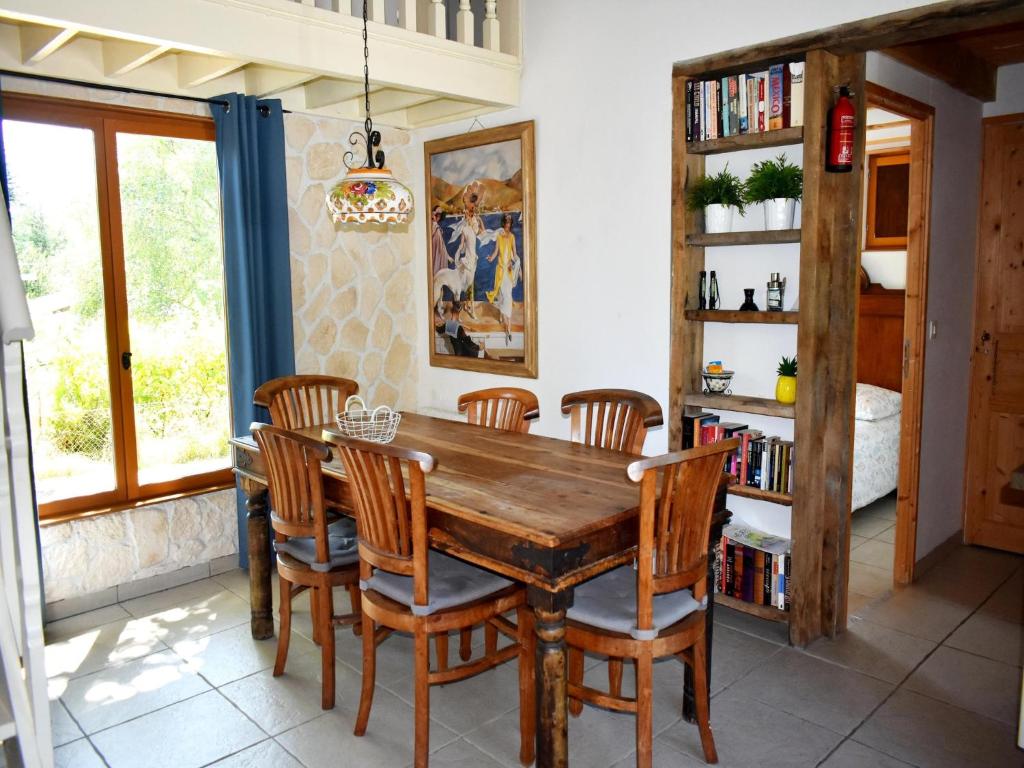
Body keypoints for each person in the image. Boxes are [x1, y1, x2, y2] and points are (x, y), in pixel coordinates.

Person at [485, 212, 521, 343]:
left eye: (509, 223)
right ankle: (502, 314)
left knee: (508, 295)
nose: (508, 225)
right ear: (503, 223)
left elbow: (515, 254)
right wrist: (490, 258)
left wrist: (515, 261)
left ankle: (509, 329)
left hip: (509, 272)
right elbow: (496, 252)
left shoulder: (512, 237)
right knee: (501, 294)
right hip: (500, 271)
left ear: (511, 224)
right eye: (506, 223)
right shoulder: (499, 237)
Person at [430, 205, 448, 276]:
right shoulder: (434, 226)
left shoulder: (437, 228)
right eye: (436, 214)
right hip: (435, 254)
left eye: (439, 215)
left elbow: (442, 244)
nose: (437, 217)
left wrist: (447, 255)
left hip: (439, 255)